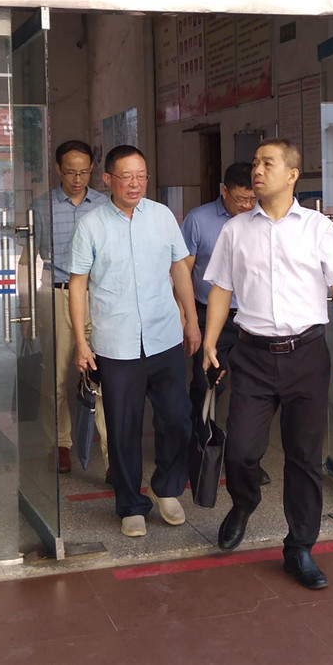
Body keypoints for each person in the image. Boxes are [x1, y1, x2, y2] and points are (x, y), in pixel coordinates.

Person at [202, 138, 333, 590]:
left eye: (268, 163)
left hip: (307, 356)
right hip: (253, 356)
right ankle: (244, 502)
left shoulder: (317, 227)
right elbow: (221, 289)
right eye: (255, 163)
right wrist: (210, 342)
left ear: (292, 175)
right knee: (241, 451)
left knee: (304, 457)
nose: (257, 170)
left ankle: (299, 547)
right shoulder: (236, 230)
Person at [68, 144, 200, 537]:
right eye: (126, 176)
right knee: (123, 429)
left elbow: (180, 270)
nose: (135, 183)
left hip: (164, 336)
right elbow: (78, 285)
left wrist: (192, 320)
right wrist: (81, 342)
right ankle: (130, 504)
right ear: (108, 179)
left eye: (141, 176)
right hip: (116, 343)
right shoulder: (91, 225)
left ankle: (166, 487)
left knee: (177, 418)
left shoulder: (162, 216)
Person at [180, 162, 270, 486]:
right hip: (210, 315)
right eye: (241, 199)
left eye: (252, 198)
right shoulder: (198, 220)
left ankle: (245, 459)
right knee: (208, 385)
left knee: (252, 390)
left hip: (251, 318)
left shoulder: (263, 220)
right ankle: (199, 447)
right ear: (224, 192)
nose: (247, 205)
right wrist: (188, 317)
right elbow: (182, 271)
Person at [29, 140, 109, 476]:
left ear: (93, 170)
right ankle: (60, 444)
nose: (78, 179)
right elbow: (26, 260)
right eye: (71, 172)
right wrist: (27, 311)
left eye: (84, 172)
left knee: (105, 376)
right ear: (58, 170)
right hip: (59, 295)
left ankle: (111, 455)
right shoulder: (41, 207)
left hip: (99, 298)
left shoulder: (105, 205)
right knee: (57, 377)